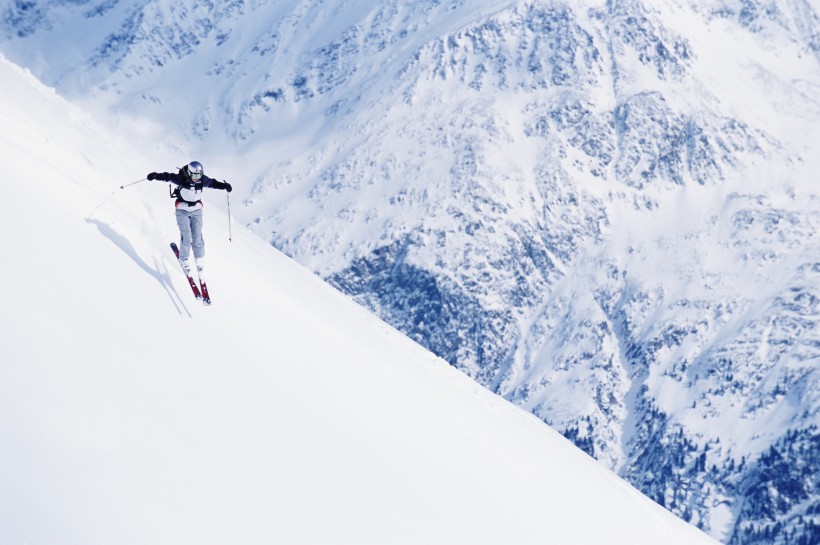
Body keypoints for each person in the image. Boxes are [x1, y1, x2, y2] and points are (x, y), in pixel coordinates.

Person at [147, 161, 232, 300]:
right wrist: (155, 176)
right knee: (186, 237)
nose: (197, 177)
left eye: (199, 174)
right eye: (194, 174)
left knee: (197, 236)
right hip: (182, 210)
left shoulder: (201, 180)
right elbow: (167, 176)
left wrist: (225, 186)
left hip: (197, 210)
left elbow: (213, 183)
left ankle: (199, 258)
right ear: (189, 172)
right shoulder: (182, 178)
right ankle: (184, 259)